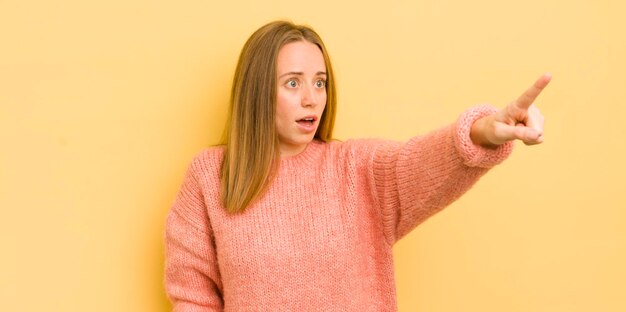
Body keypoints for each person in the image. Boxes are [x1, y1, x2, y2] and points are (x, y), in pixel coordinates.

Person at [163, 20, 551, 311]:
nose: (312, 99)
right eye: (293, 83)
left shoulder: (356, 169)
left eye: (320, 82)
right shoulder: (211, 176)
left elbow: (424, 160)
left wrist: (483, 131)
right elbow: (193, 299)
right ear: (257, 89)